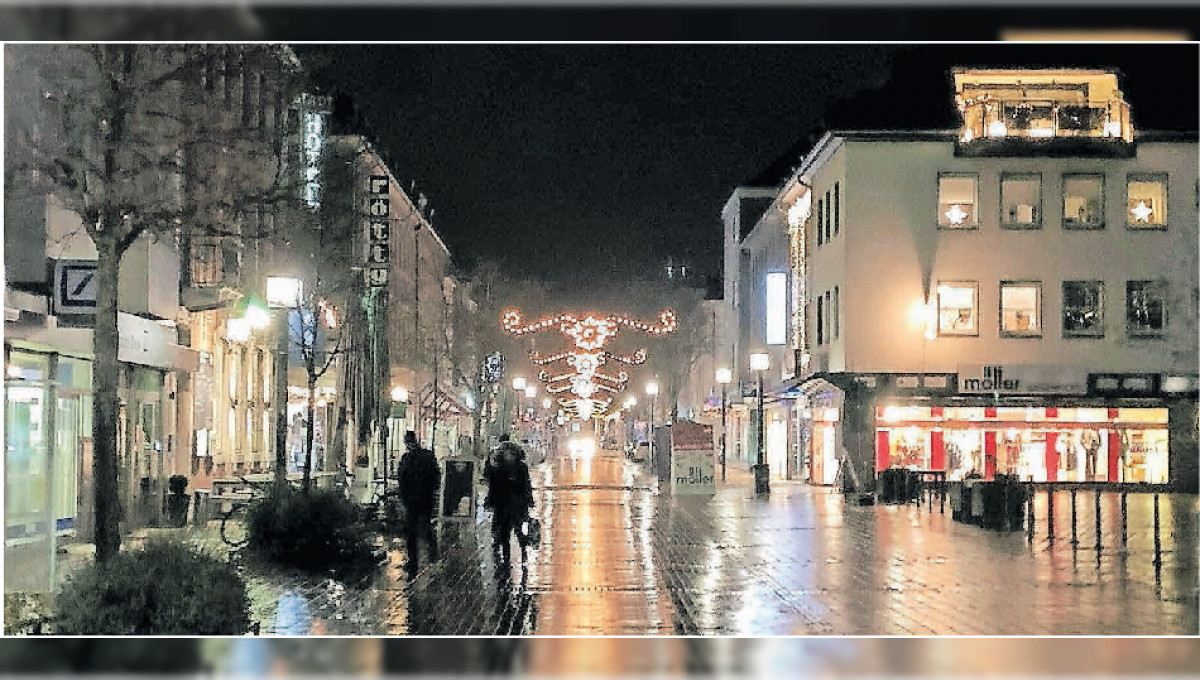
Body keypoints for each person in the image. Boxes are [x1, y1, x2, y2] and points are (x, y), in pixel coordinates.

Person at [483, 434, 534, 566]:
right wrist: (529, 499)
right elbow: (526, 484)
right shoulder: (521, 466)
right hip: (517, 503)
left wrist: (489, 500)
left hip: (503, 503)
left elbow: (491, 483)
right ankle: (521, 549)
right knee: (517, 528)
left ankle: (506, 556)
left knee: (505, 530)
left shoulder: (498, 467)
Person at [397, 430, 440, 576]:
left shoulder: (407, 459)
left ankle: (414, 561)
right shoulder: (427, 456)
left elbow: (401, 479)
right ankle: (431, 554)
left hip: (414, 500)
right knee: (424, 527)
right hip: (423, 499)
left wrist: (404, 496)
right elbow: (436, 476)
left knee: (412, 530)